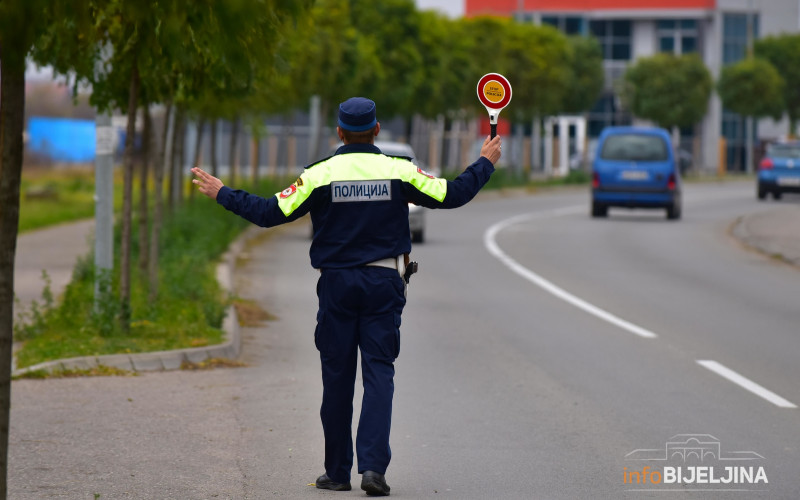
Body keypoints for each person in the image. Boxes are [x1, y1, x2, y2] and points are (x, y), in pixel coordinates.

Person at [192, 97, 501, 496]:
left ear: (338, 132)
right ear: (376, 130)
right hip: (383, 284)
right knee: (378, 373)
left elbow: (270, 212)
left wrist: (222, 193)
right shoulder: (398, 171)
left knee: (337, 378)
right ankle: (372, 469)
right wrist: (485, 163)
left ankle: (337, 472)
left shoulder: (320, 175)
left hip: (336, 287)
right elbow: (453, 193)